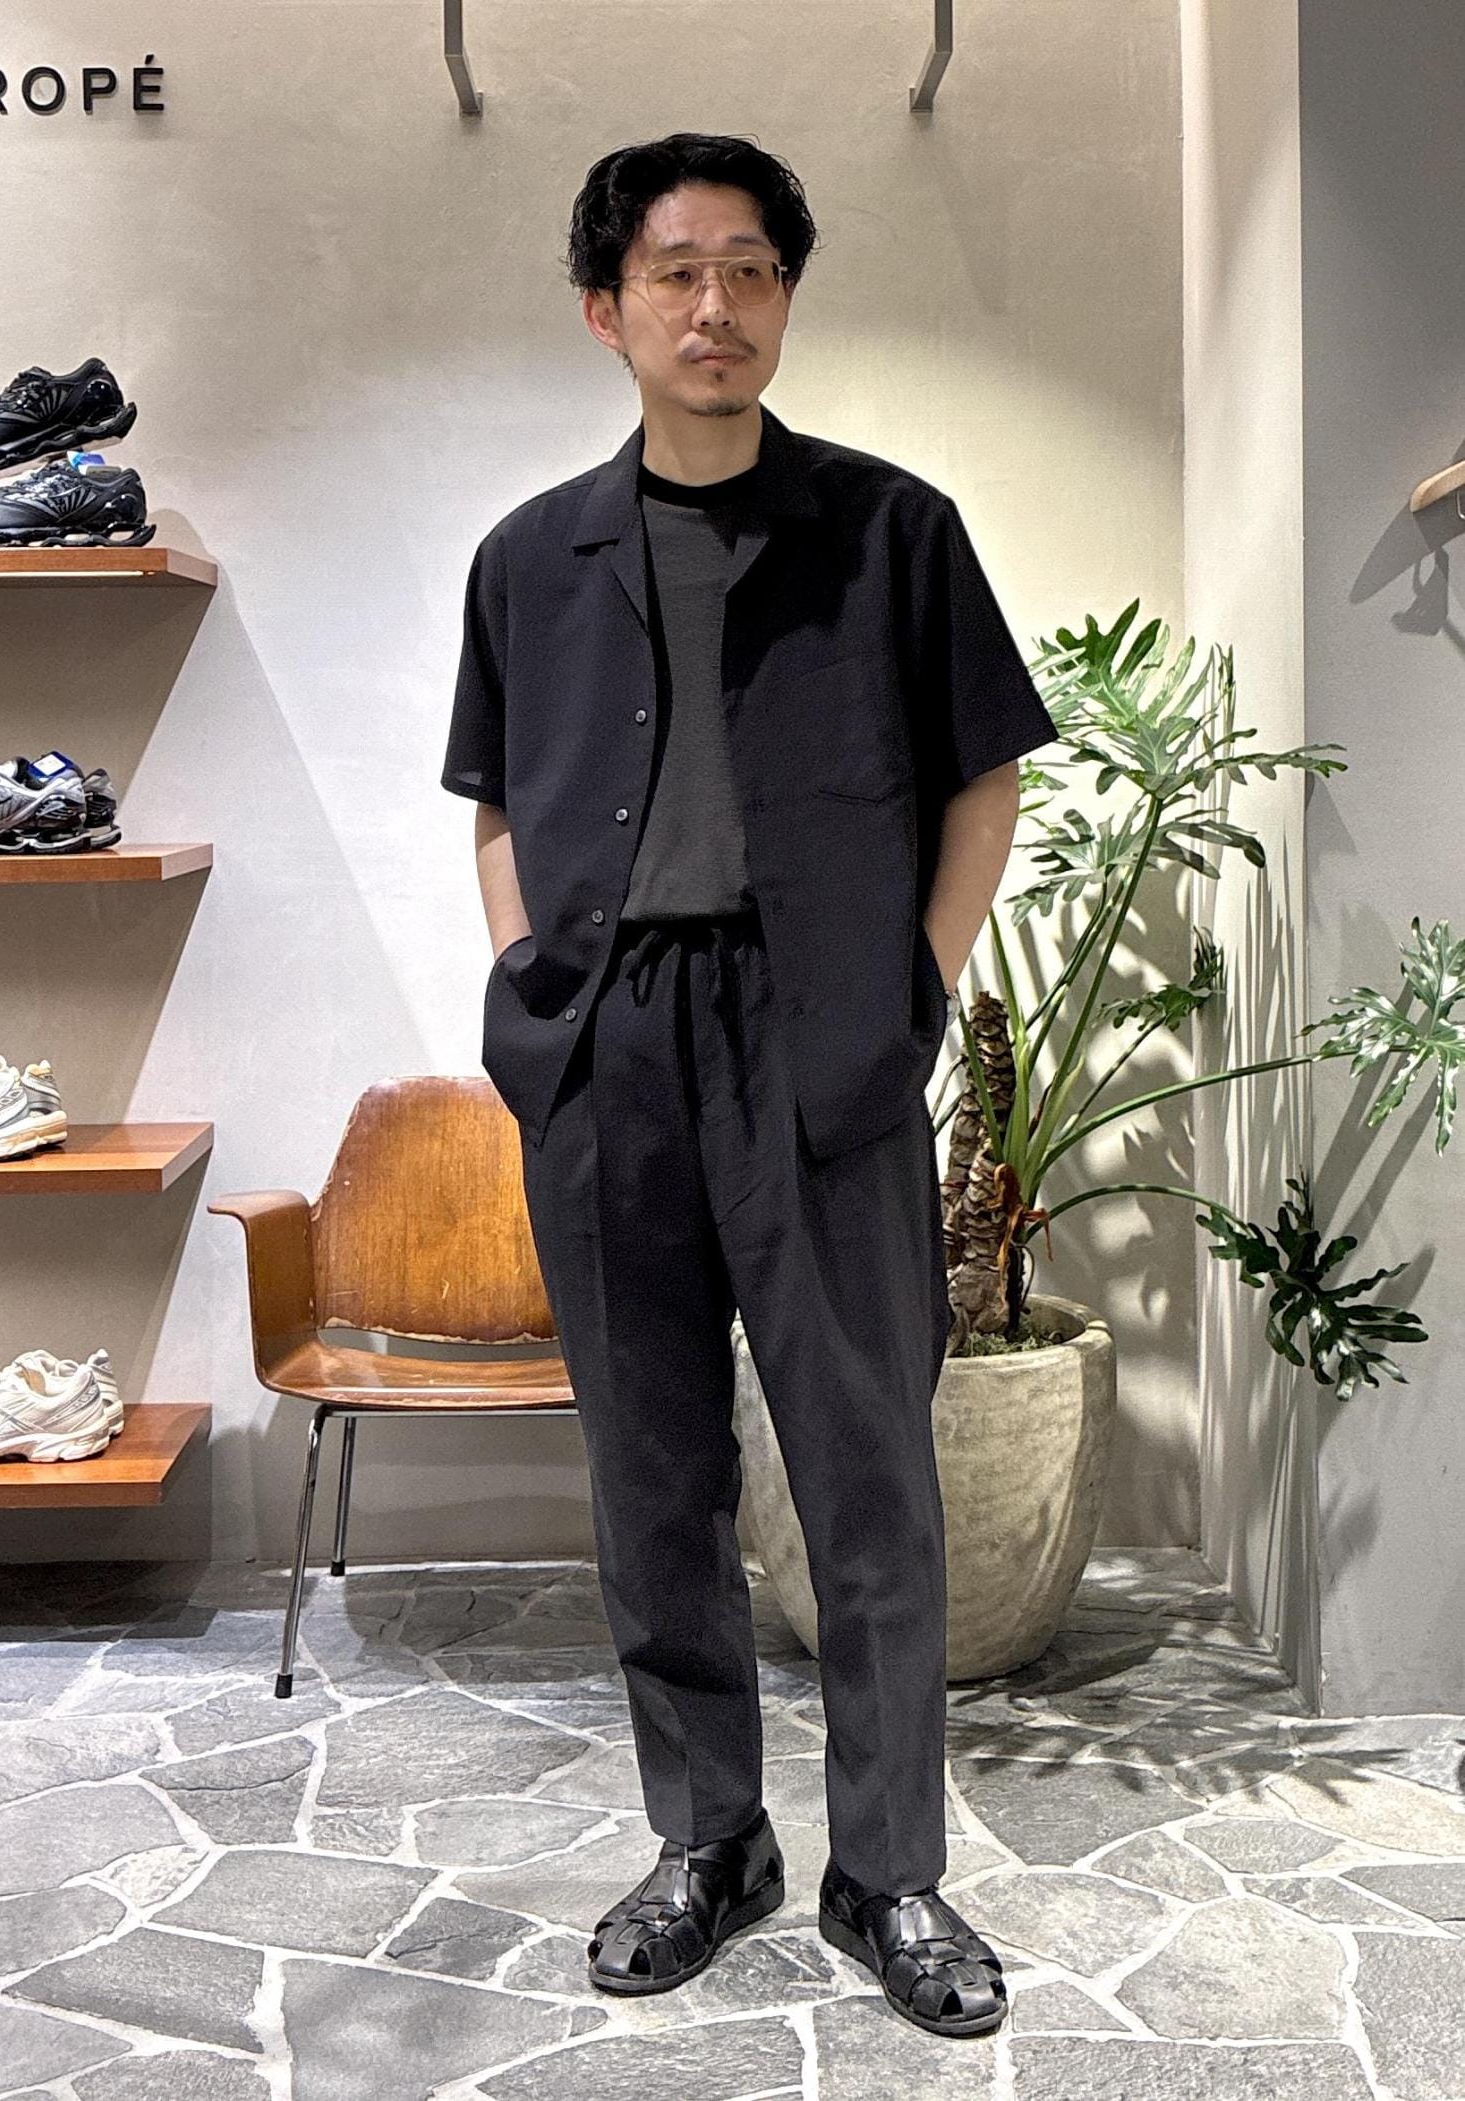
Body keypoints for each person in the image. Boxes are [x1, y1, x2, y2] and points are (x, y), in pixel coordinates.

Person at [442, 132, 1058, 2040]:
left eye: (751, 271)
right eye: (675, 272)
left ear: (786, 297)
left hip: (823, 1043)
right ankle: (710, 1838)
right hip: (609, 1048)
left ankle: (891, 1868)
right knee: (653, 1473)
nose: (715, 306)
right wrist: (535, 992)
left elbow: (983, 779)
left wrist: (911, 990)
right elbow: (496, 803)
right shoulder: (528, 559)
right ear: (606, 309)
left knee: (870, 1476)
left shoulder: (892, 531)